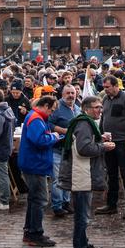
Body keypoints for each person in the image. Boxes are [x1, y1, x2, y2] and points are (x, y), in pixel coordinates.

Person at [58, 95, 114, 248]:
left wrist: (99, 139)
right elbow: (84, 149)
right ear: (87, 109)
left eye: (100, 107)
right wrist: (103, 146)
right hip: (81, 175)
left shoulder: (85, 123)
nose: (100, 110)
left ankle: (83, 245)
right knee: (82, 216)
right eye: (97, 107)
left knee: (83, 215)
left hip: (82, 174)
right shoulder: (84, 124)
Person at [18, 95, 63, 247]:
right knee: (40, 199)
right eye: (51, 110)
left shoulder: (36, 117)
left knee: (34, 199)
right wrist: (54, 137)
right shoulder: (36, 119)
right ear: (45, 106)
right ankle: (35, 233)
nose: (51, 113)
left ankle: (30, 231)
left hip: (34, 163)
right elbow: (39, 140)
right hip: (35, 164)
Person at [97, 75, 125, 218]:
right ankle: (111, 205)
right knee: (111, 174)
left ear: (116, 86)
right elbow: (103, 118)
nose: (105, 90)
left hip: (122, 142)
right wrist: (101, 136)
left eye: (107, 87)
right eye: (104, 87)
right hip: (109, 142)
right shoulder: (105, 99)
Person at [49, 85, 79, 217]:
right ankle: (57, 205)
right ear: (62, 94)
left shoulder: (77, 107)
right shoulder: (57, 107)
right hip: (57, 148)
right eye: (68, 93)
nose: (71, 95)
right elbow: (48, 124)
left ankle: (66, 202)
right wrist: (64, 131)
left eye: (73, 93)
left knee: (68, 177)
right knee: (57, 179)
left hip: (70, 149)